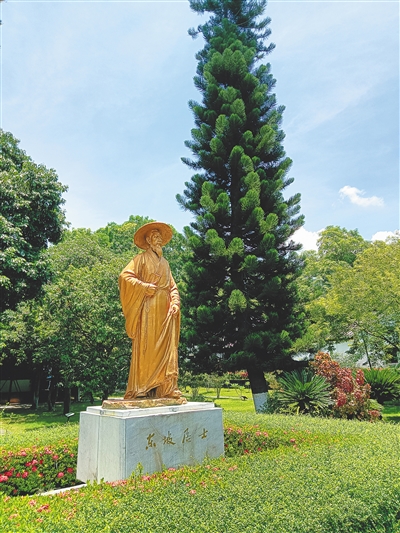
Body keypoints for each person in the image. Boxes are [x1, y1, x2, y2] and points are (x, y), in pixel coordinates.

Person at [119, 222, 182, 399]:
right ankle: (142, 388)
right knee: (147, 349)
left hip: (165, 312)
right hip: (148, 310)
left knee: (168, 350)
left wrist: (175, 303)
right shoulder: (140, 259)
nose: (158, 240)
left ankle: (166, 388)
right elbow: (125, 276)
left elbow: (172, 287)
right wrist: (143, 286)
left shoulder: (166, 264)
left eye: (160, 237)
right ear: (148, 240)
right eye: (155, 237)